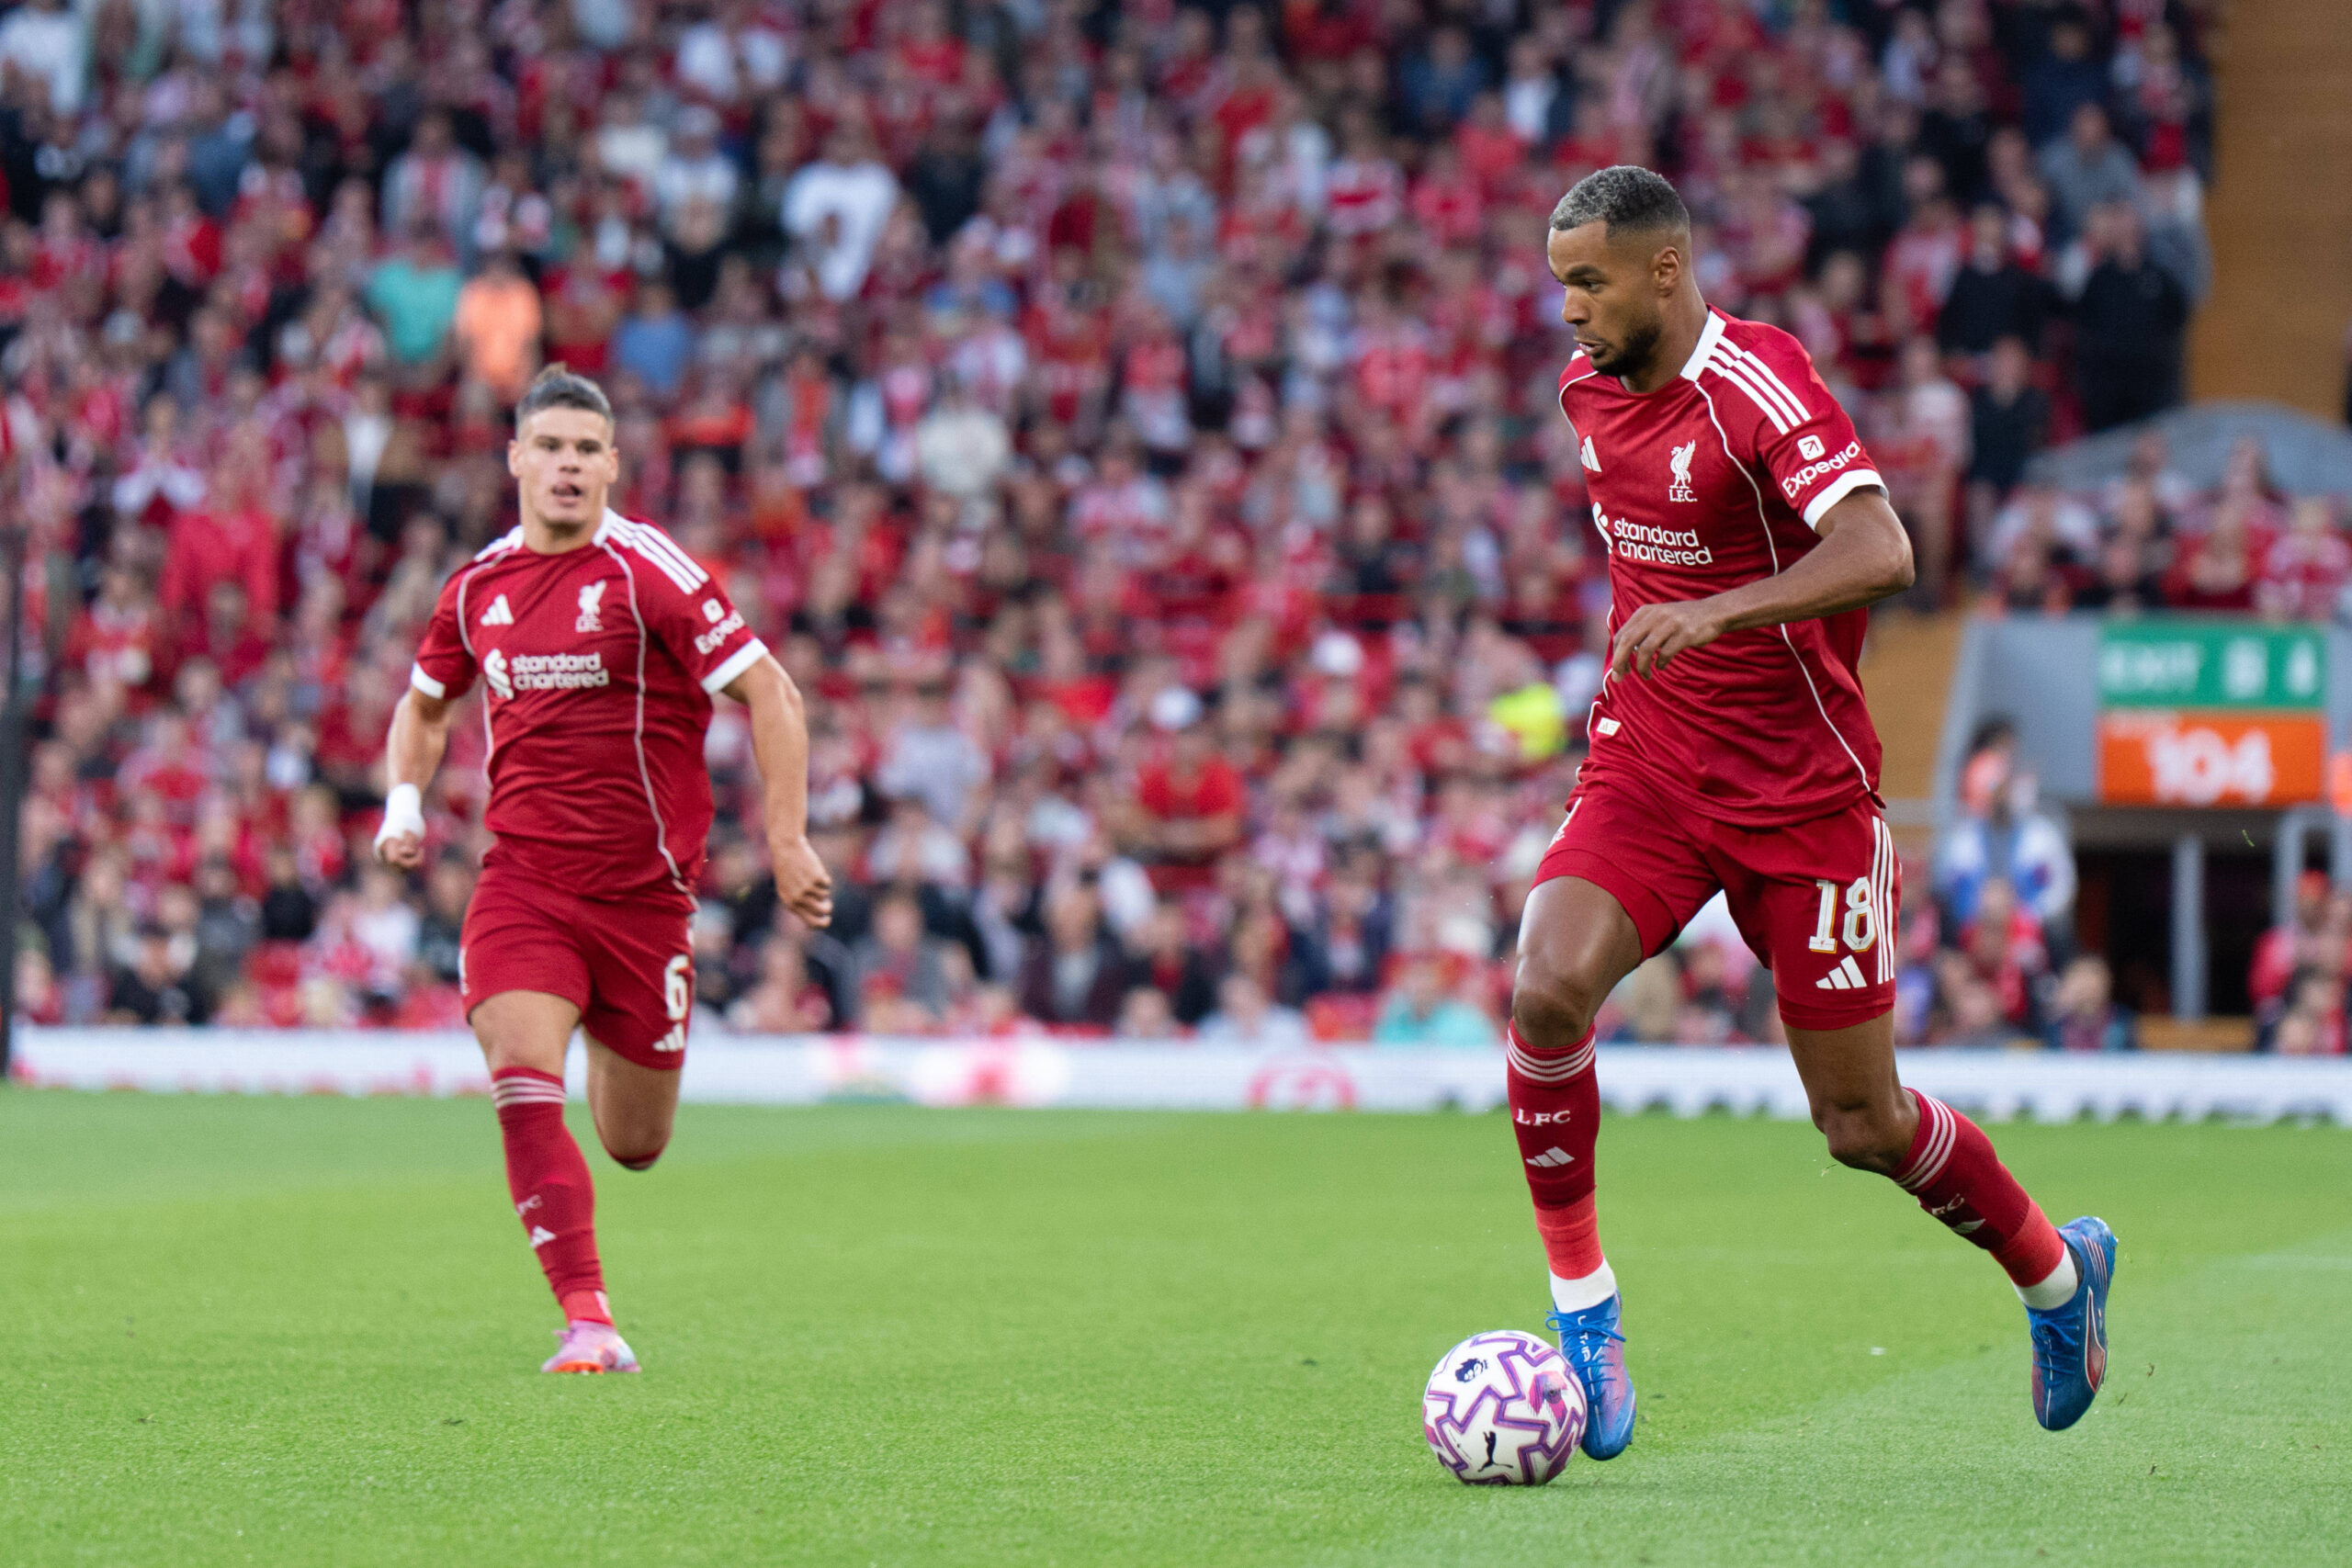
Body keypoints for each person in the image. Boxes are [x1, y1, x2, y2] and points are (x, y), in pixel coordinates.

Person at [1513, 167, 2114, 1460]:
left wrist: (1718, 613)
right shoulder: (1584, 391)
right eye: (1561, 282)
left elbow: (1884, 548)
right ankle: (1585, 1317)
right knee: (1546, 989)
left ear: (1665, 269)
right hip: (1651, 767)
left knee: (1862, 1125)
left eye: (1589, 281)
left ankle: (2057, 1276)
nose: (1568, 309)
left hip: (1804, 799)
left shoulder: (1757, 381)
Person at [374, 365, 833, 1374]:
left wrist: (787, 838)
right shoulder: (477, 587)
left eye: (587, 449)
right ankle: (588, 1319)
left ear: (613, 465)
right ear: (516, 459)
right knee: (520, 1073)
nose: (568, 465)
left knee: (634, 1143)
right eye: (550, 447)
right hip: (524, 884)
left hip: (643, 902)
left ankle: (593, 1041)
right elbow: (424, 704)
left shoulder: (646, 571)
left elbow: (772, 692)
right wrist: (404, 802)